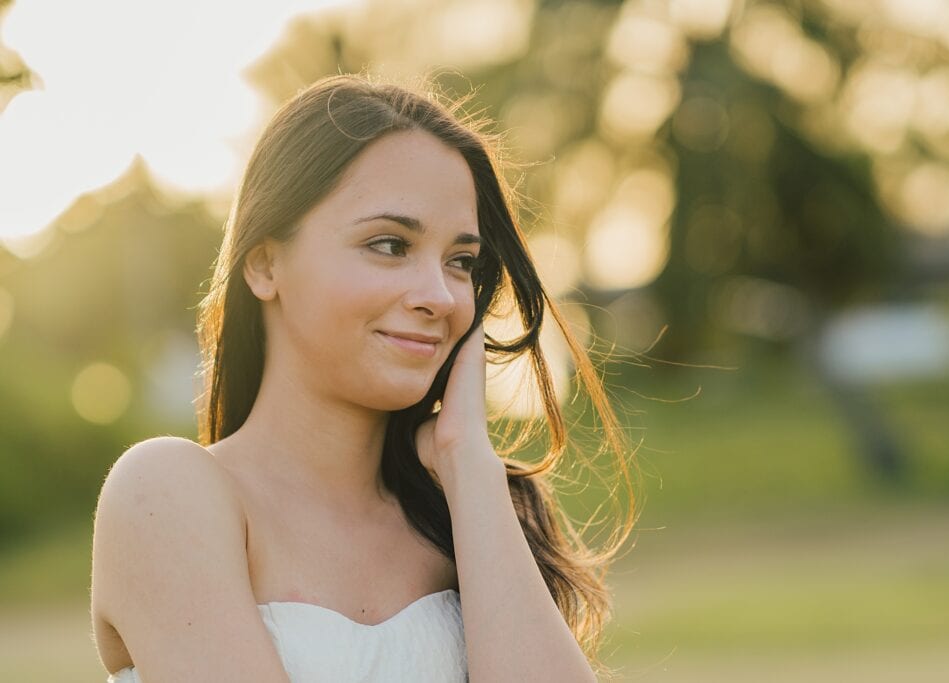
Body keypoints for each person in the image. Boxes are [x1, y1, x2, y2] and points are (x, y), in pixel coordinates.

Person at [90, 71, 638, 682]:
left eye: (461, 261)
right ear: (266, 264)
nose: (439, 295)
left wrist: (469, 467)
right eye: (388, 244)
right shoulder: (167, 493)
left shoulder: (471, 512)